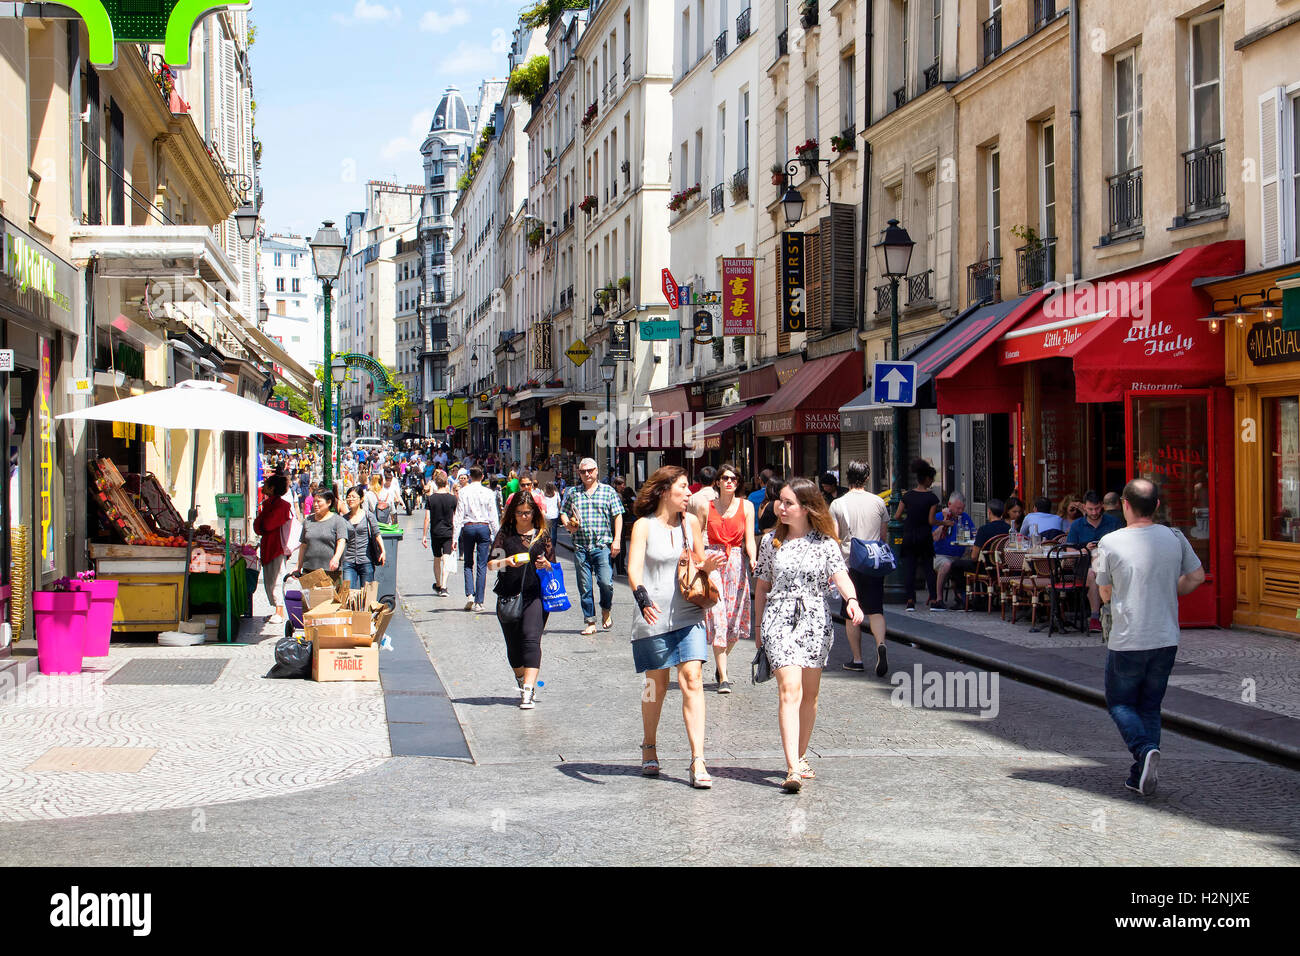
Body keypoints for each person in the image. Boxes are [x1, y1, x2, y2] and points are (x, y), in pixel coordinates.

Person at [1095, 479, 1204, 796]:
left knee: (1119, 702)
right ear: (1157, 506)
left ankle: (1143, 750)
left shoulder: (1109, 542)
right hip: (1166, 637)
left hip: (1129, 638)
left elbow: (1103, 593)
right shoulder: (1175, 537)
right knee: (1150, 706)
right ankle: (1141, 774)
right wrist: (1172, 590)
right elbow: (1196, 576)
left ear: (1124, 506)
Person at [754, 477, 863, 793]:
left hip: (815, 619)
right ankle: (792, 768)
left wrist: (852, 601)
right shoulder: (770, 542)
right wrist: (759, 629)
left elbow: (840, 575)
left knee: (810, 695)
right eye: (781, 502)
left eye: (789, 503)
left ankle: (800, 756)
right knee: (789, 689)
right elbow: (762, 586)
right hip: (779, 618)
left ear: (806, 507)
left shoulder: (826, 543)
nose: (781, 507)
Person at [627, 466, 726, 788]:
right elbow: (633, 570)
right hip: (653, 614)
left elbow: (698, 563)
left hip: (688, 613)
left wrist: (707, 566)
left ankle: (698, 759)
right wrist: (643, 600)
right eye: (683, 487)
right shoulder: (643, 526)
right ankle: (649, 743)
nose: (688, 493)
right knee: (656, 684)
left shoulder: (691, 523)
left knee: (692, 679)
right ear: (664, 490)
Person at [487, 493, 556, 710]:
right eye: (519, 513)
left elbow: (553, 565)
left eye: (527, 512)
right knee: (514, 648)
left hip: (535, 595)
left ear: (534, 512)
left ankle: (527, 690)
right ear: (512, 513)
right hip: (509, 595)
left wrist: (546, 564)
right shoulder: (505, 533)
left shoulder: (541, 535)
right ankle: (520, 677)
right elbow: (491, 564)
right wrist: (506, 561)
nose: (523, 517)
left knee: (531, 640)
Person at [692, 462, 756, 693]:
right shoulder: (705, 507)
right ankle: (724, 678)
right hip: (715, 561)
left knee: (734, 626)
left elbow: (749, 539)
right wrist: (702, 563)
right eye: (726, 478)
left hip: (737, 563)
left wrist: (754, 558)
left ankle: (721, 665)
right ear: (718, 481)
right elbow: (696, 535)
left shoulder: (747, 506)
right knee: (719, 620)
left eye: (734, 479)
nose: (730, 482)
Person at [830, 460, 890, 675]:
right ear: (867, 478)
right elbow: (883, 536)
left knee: (851, 612)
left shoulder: (838, 504)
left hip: (849, 564)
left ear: (847, 476)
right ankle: (880, 643)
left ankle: (857, 659)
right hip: (873, 563)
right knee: (876, 609)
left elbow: (835, 538)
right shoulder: (878, 502)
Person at [561, 458, 624, 635]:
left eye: (590, 470)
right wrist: (567, 524)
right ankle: (590, 621)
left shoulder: (608, 491)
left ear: (597, 471)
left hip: (601, 546)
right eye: (583, 471)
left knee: (606, 583)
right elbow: (563, 512)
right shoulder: (574, 493)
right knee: (585, 587)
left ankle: (606, 608)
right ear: (579, 474)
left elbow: (618, 515)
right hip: (580, 546)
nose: (587, 474)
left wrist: (617, 540)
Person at [1066, 490, 1124, 632]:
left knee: (1096, 566)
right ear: (1084, 507)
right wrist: (1085, 550)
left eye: (1097, 508)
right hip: (1083, 565)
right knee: (1093, 572)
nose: (1094, 512)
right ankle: (1096, 616)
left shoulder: (1113, 522)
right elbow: (1069, 552)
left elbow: (1124, 545)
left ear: (1102, 506)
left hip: (1109, 564)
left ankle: (1096, 616)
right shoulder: (1077, 525)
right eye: (1090, 509)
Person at [946, 497, 1012, 609]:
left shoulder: (984, 529)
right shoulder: (1009, 529)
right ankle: (985, 597)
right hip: (1003, 568)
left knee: (956, 565)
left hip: (986, 568)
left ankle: (962, 597)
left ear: (989, 512)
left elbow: (974, 557)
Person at [895, 459, 942, 611]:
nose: (932, 482)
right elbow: (931, 520)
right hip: (924, 536)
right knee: (928, 568)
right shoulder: (932, 498)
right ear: (927, 479)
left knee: (910, 568)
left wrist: (907, 520)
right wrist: (945, 523)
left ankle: (910, 601)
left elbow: (897, 516)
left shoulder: (907, 496)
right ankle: (934, 600)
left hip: (909, 535)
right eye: (932, 479)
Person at [453, 466, 500, 612]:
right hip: (483, 527)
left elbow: (459, 515)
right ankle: (479, 601)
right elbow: (493, 515)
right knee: (481, 565)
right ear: (483, 476)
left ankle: (469, 595)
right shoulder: (488, 492)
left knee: (468, 563)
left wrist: (455, 537)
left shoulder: (463, 492)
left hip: (468, 527)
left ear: (470, 476)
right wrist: (497, 534)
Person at [252, 475, 293, 623]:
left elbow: (267, 525)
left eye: (267, 485)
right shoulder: (269, 504)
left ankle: (280, 612)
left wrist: (261, 524)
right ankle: (277, 610)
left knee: (276, 579)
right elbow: (260, 526)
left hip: (277, 547)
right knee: (270, 579)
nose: (263, 488)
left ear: (272, 488)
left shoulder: (281, 505)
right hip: (269, 546)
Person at [932, 491, 977, 609]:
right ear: (949, 504)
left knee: (967, 564)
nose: (960, 511)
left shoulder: (965, 517)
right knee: (947, 564)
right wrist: (945, 521)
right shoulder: (938, 517)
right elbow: (934, 537)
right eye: (958, 508)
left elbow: (973, 534)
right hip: (940, 555)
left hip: (960, 556)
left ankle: (963, 598)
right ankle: (939, 599)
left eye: (962, 508)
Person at [296, 490, 349, 583]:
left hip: (330, 571)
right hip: (309, 570)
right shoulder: (308, 521)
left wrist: (336, 558)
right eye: (314, 501)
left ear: (329, 502)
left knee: (329, 597)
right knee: (308, 597)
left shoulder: (338, 521)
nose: (315, 504)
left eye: (319, 501)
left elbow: (341, 541)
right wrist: (298, 566)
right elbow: (303, 545)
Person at [341, 485, 386, 588]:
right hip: (349, 561)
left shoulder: (368, 516)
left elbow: (377, 534)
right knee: (348, 593)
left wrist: (383, 551)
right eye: (348, 497)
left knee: (367, 595)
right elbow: (342, 540)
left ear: (361, 499)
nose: (350, 499)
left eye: (353, 497)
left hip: (366, 560)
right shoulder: (343, 519)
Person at [748, 467, 774, 533]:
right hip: (773, 533)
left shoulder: (752, 496)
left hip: (755, 532)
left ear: (760, 480)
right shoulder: (778, 495)